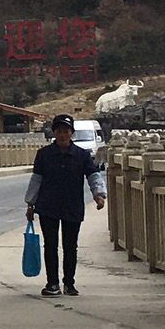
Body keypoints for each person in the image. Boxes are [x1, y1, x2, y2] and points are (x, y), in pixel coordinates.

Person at [25, 114, 105, 298]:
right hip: (47, 206)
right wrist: (30, 204)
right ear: (54, 133)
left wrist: (98, 194)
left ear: (72, 133)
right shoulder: (44, 155)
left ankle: (69, 283)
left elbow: (93, 175)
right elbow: (36, 180)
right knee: (50, 245)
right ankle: (52, 283)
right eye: (59, 130)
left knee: (70, 246)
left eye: (66, 130)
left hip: (72, 205)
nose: (63, 134)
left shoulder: (81, 155)